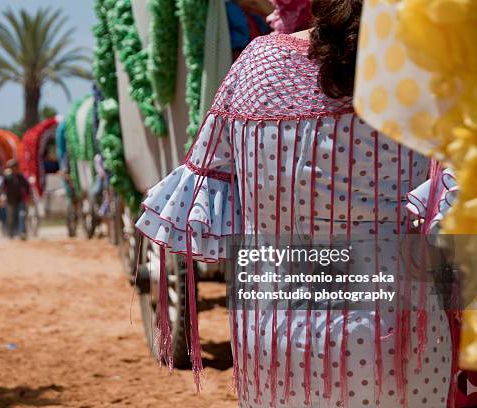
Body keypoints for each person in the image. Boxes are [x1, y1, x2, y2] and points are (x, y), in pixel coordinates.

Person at [135, 0, 452, 406]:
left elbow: (204, 189)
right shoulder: (430, 70)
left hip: (272, 342)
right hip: (395, 346)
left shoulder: (255, 65)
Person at [0, 159, 30, 240]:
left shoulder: (20, 177)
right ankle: (11, 233)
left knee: (22, 215)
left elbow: (27, 187)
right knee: (10, 218)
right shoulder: (7, 177)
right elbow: (2, 188)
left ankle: (22, 232)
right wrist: (3, 197)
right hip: (10, 201)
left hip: (20, 200)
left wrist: (28, 197)